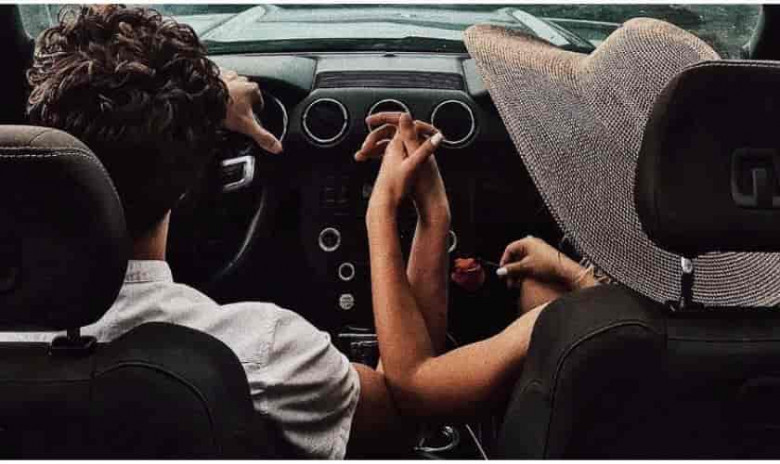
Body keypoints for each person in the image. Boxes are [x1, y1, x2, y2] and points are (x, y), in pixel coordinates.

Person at [4, 5, 548, 458]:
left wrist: (200, 106)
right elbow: (403, 412)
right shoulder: (265, 352)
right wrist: (407, 217)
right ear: (190, 187)